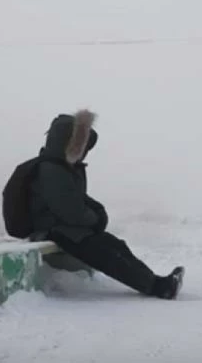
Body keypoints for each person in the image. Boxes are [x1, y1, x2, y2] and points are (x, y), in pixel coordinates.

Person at [27, 109, 184, 300]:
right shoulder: (52, 170)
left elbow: (77, 200)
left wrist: (98, 212)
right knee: (106, 254)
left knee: (116, 246)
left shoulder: (62, 168)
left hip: (63, 228)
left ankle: (155, 282)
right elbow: (70, 211)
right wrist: (95, 218)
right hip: (52, 229)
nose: (84, 149)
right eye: (80, 143)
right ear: (67, 142)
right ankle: (157, 287)